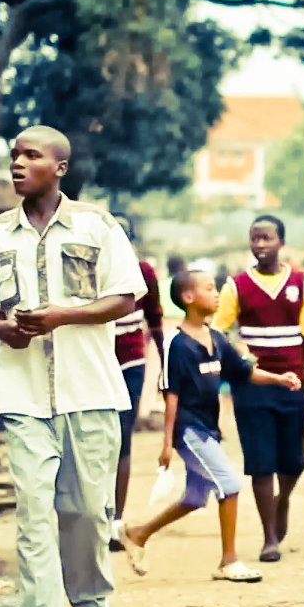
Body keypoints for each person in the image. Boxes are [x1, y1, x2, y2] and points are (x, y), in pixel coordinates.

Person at [0, 126, 147, 607]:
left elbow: (124, 296)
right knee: (33, 509)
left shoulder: (97, 226)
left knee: (87, 508)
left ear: (59, 168)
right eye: (13, 155)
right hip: (21, 395)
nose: (17, 164)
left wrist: (61, 317)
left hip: (88, 388)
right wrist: (4, 330)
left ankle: (93, 606)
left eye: (30, 156)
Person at [119, 270, 301, 581]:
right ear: (189, 298)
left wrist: (279, 379)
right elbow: (171, 394)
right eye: (208, 288)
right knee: (229, 484)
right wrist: (167, 444)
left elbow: (243, 373)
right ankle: (228, 562)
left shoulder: (217, 338)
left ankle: (138, 533)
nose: (216, 293)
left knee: (194, 496)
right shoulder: (177, 344)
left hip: (207, 427)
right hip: (188, 430)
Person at [210, 215, 304, 563]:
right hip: (252, 387)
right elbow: (218, 332)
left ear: (281, 243)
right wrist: (238, 354)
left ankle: (283, 499)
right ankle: (269, 537)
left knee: (294, 461)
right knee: (261, 464)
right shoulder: (237, 285)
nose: (259, 245)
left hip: (292, 384)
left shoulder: (302, 283)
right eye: (254, 238)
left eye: (266, 238)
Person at [110, 215, 166, 538]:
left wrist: (164, 373)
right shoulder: (86, 271)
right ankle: (94, 517)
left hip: (131, 364)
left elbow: (155, 319)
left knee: (122, 441)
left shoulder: (142, 271)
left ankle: (116, 521)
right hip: (92, 366)